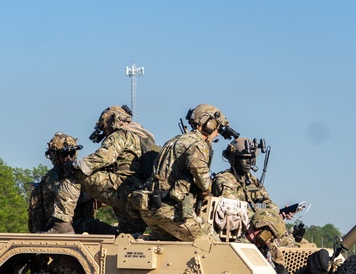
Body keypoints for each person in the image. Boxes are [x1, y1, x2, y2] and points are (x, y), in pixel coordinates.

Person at [50, 105, 156, 236]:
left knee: (76, 174)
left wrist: (74, 165)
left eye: (104, 128)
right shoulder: (143, 137)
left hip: (122, 188)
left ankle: (62, 225)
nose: (105, 132)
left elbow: (103, 157)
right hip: (138, 194)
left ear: (113, 120)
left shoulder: (120, 134)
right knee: (127, 235)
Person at [141, 104, 234, 241]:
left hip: (150, 207)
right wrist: (206, 190)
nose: (217, 133)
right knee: (212, 243)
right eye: (217, 127)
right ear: (209, 124)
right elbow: (203, 181)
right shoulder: (197, 144)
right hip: (169, 209)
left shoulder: (174, 140)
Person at [211, 137, 297, 260]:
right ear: (233, 159)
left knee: (290, 243)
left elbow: (267, 202)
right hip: (235, 230)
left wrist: (277, 215)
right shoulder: (224, 180)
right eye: (244, 158)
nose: (249, 162)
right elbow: (236, 210)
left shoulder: (252, 180)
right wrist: (265, 219)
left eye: (251, 158)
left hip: (255, 227)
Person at [28, 132, 117, 235]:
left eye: (72, 153)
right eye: (64, 154)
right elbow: (77, 197)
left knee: (114, 231)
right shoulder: (53, 177)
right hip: (56, 226)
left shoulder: (74, 173)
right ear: (55, 156)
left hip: (77, 223)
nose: (69, 158)